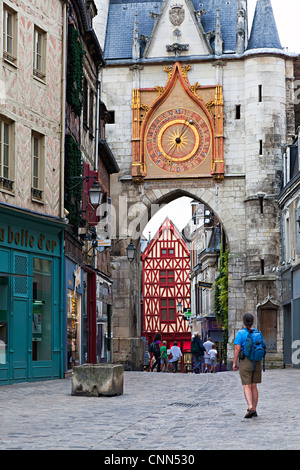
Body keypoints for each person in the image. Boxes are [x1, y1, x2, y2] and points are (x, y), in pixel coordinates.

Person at [233, 312, 263, 418]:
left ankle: (250, 407)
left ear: (243, 322)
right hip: (257, 361)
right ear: (252, 321)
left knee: (247, 385)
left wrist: (234, 362)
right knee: (254, 386)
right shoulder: (257, 332)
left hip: (246, 361)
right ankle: (254, 409)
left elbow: (237, 348)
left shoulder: (241, 333)